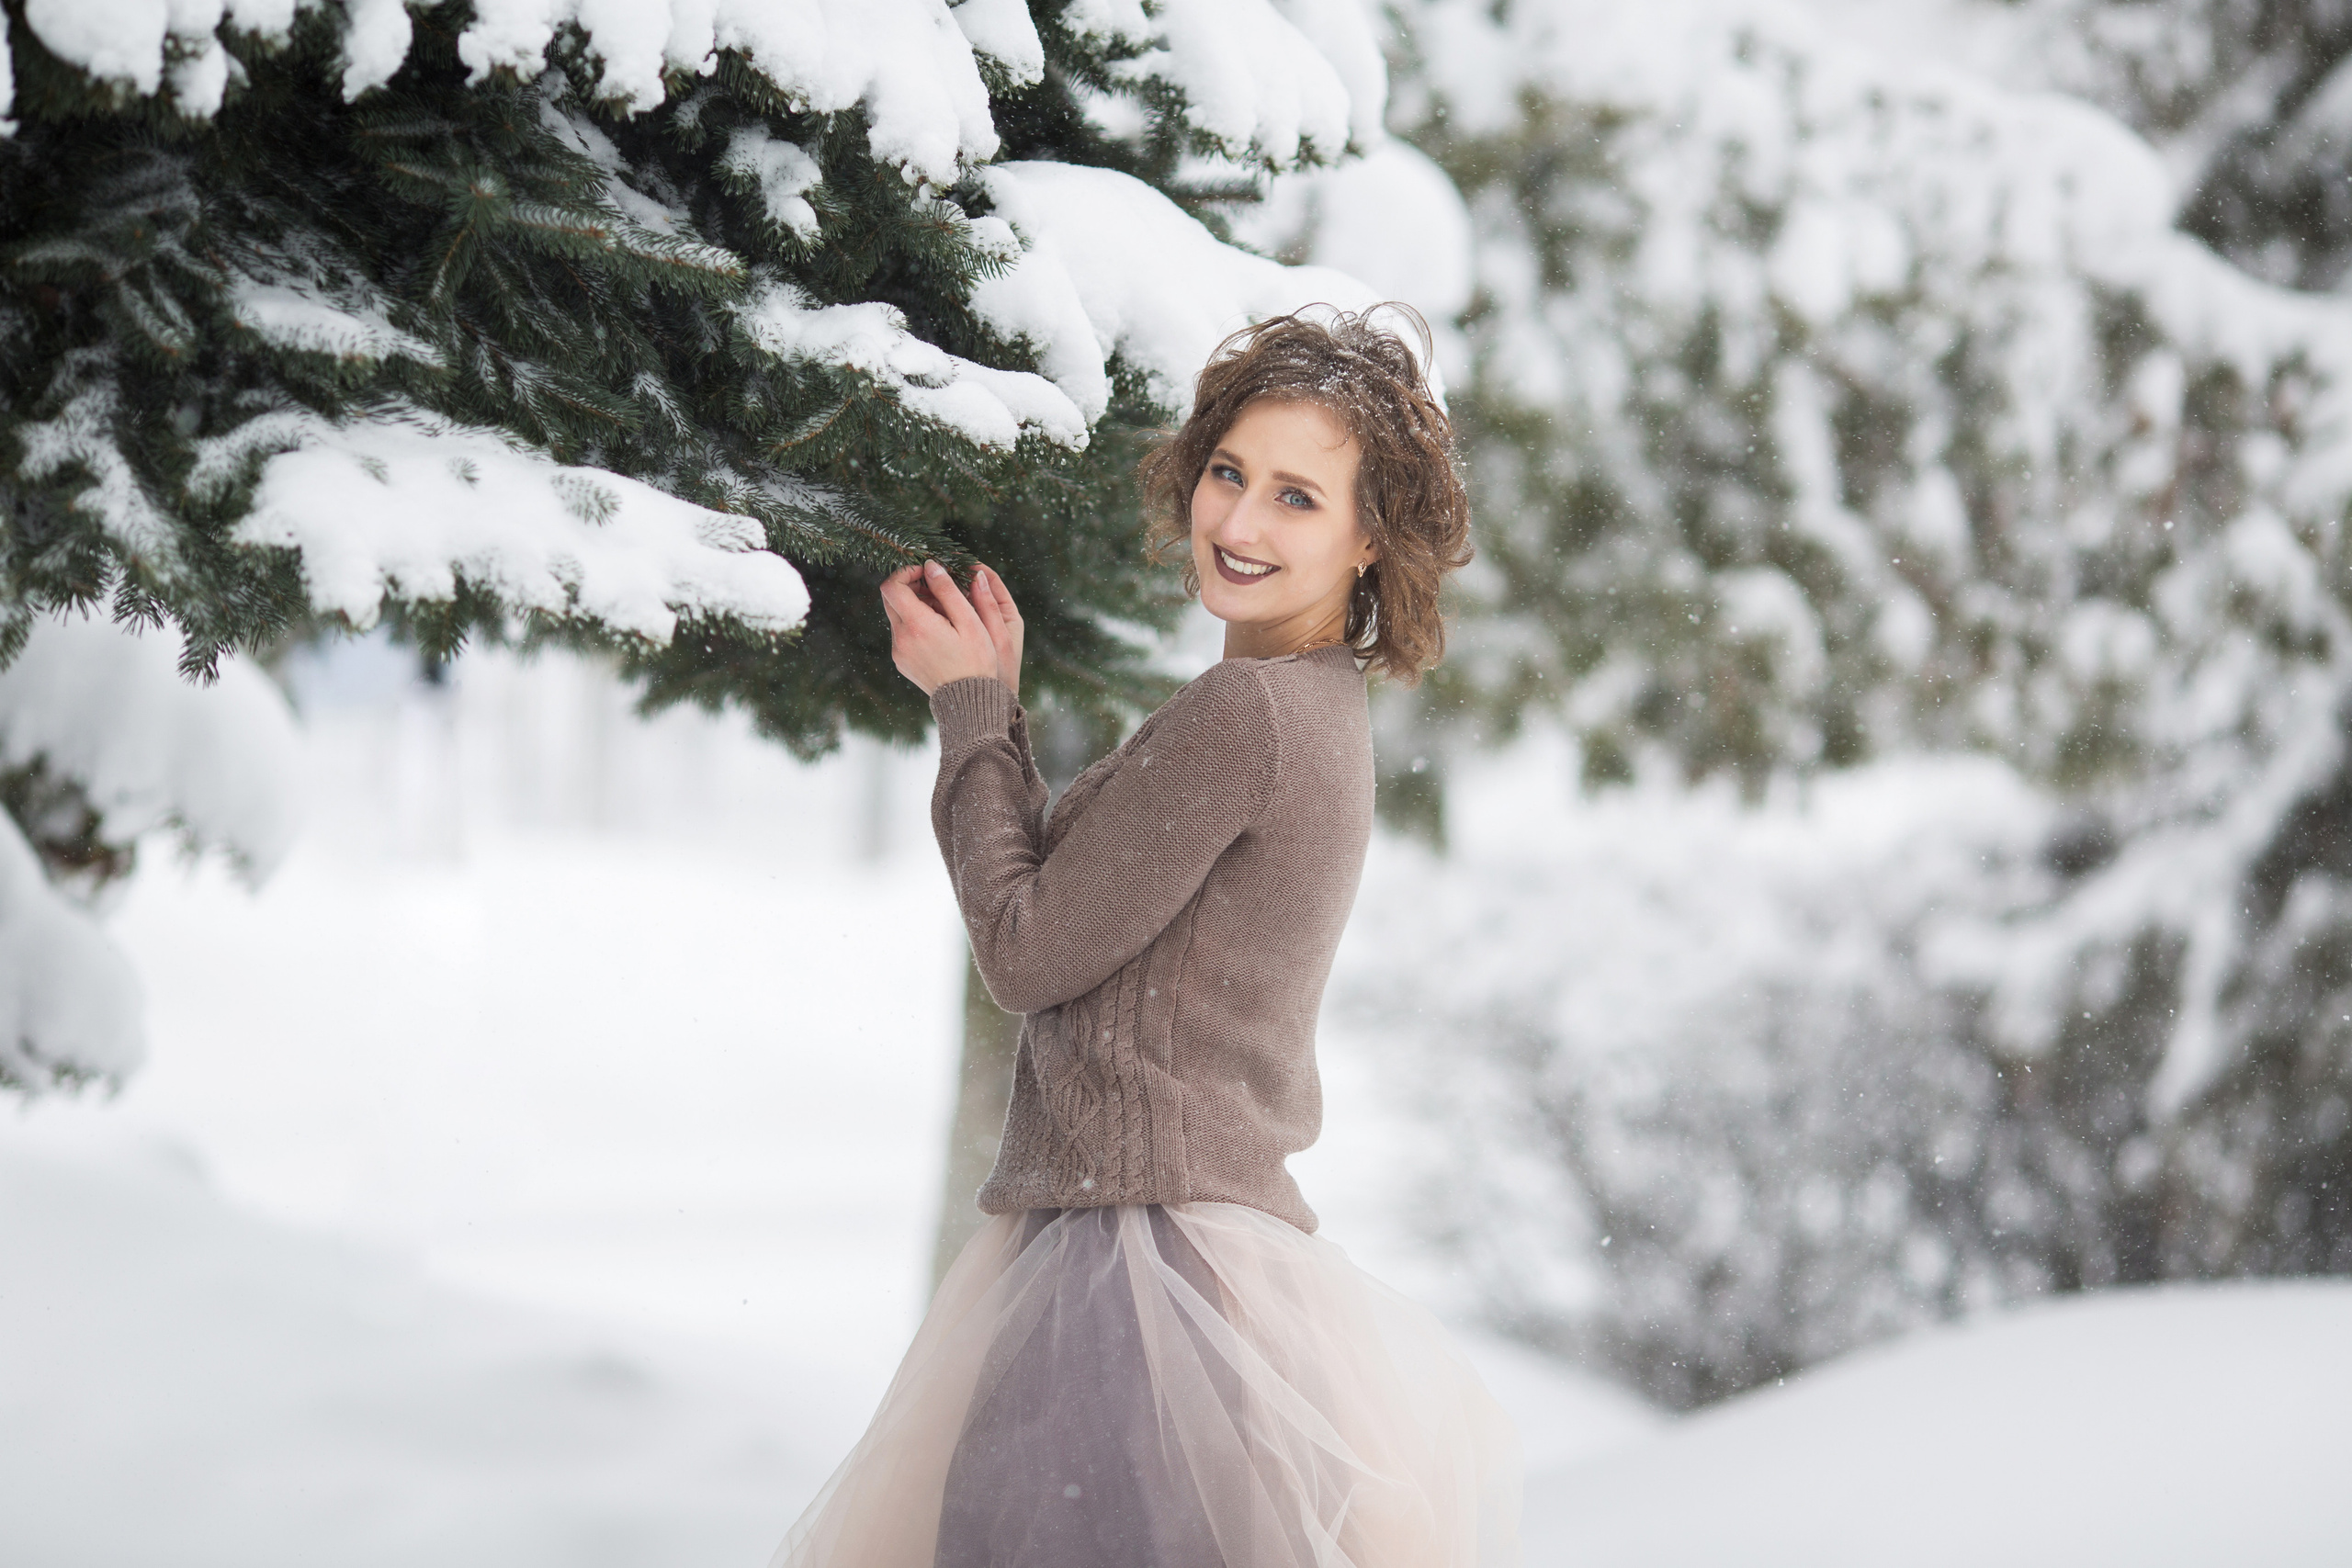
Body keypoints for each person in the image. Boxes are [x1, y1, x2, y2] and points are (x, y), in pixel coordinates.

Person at [770, 306, 1521, 1568]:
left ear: (1368, 537)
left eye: (1296, 498)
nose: (1237, 523)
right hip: (1186, 1264)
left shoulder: (1250, 714)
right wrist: (994, 715)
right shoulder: (1317, 708)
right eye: (1229, 473)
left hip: (1131, 1274)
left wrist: (970, 711)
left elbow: (1025, 951)